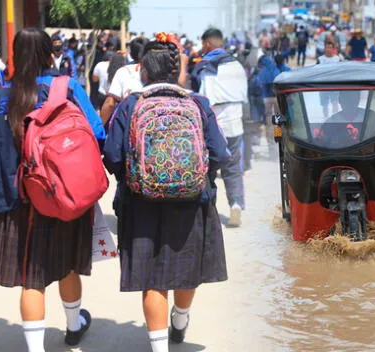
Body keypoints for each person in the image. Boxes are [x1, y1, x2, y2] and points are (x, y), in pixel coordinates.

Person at [0, 28, 105, 351]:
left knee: (32, 276)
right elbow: (96, 134)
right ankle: (74, 326)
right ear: (50, 54)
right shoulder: (67, 88)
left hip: (17, 200)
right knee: (68, 264)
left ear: (14, 55)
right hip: (63, 193)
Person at [103, 35, 229, 352]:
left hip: (141, 203)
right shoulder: (198, 104)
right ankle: (181, 319)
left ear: (143, 71)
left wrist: (134, 179)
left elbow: (113, 156)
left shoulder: (131, 105)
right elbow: (220, 152)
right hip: (192, 202)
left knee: (152, 279)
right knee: (187, 270)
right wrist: (199, 177)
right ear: (178, 72)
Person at [193, 27, 248, 227]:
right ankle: (236, 205)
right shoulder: (237, 65)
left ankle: (209, 211)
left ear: (207, 43)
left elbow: (202, 98)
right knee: (233, 168)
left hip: (214, 125)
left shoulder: (207, 67)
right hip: (236, 121)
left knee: (207, 168)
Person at [100, 37, 147, 123]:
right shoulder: (157, 71)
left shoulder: (123, 71)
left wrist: (99, 128)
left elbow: (110, 103)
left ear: (131, 54)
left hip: (129, 122)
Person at [317, 42, 342, 117]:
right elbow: (315, 72)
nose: (328, 49)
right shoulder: (320, 59)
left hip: (334, 85)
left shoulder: (337, 59)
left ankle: (336, 118)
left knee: (335, 103)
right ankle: (325, 119)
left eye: (330, 48)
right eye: (327, 48)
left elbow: (341, 72)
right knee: (325, 105)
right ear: (324, 49)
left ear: (333, 49)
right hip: (323, 85)